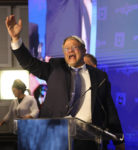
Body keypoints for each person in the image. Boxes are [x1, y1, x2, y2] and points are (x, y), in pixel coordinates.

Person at [5, 15, 125, 150]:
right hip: (55, 137)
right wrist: (15, 40)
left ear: (84, 51)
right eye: (66, 48)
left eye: (74, 47)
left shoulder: (100, 76)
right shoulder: (55, 68)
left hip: (89, 141)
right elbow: (30, 63)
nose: (70, 50)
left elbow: (110, 110)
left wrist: (119, 141)